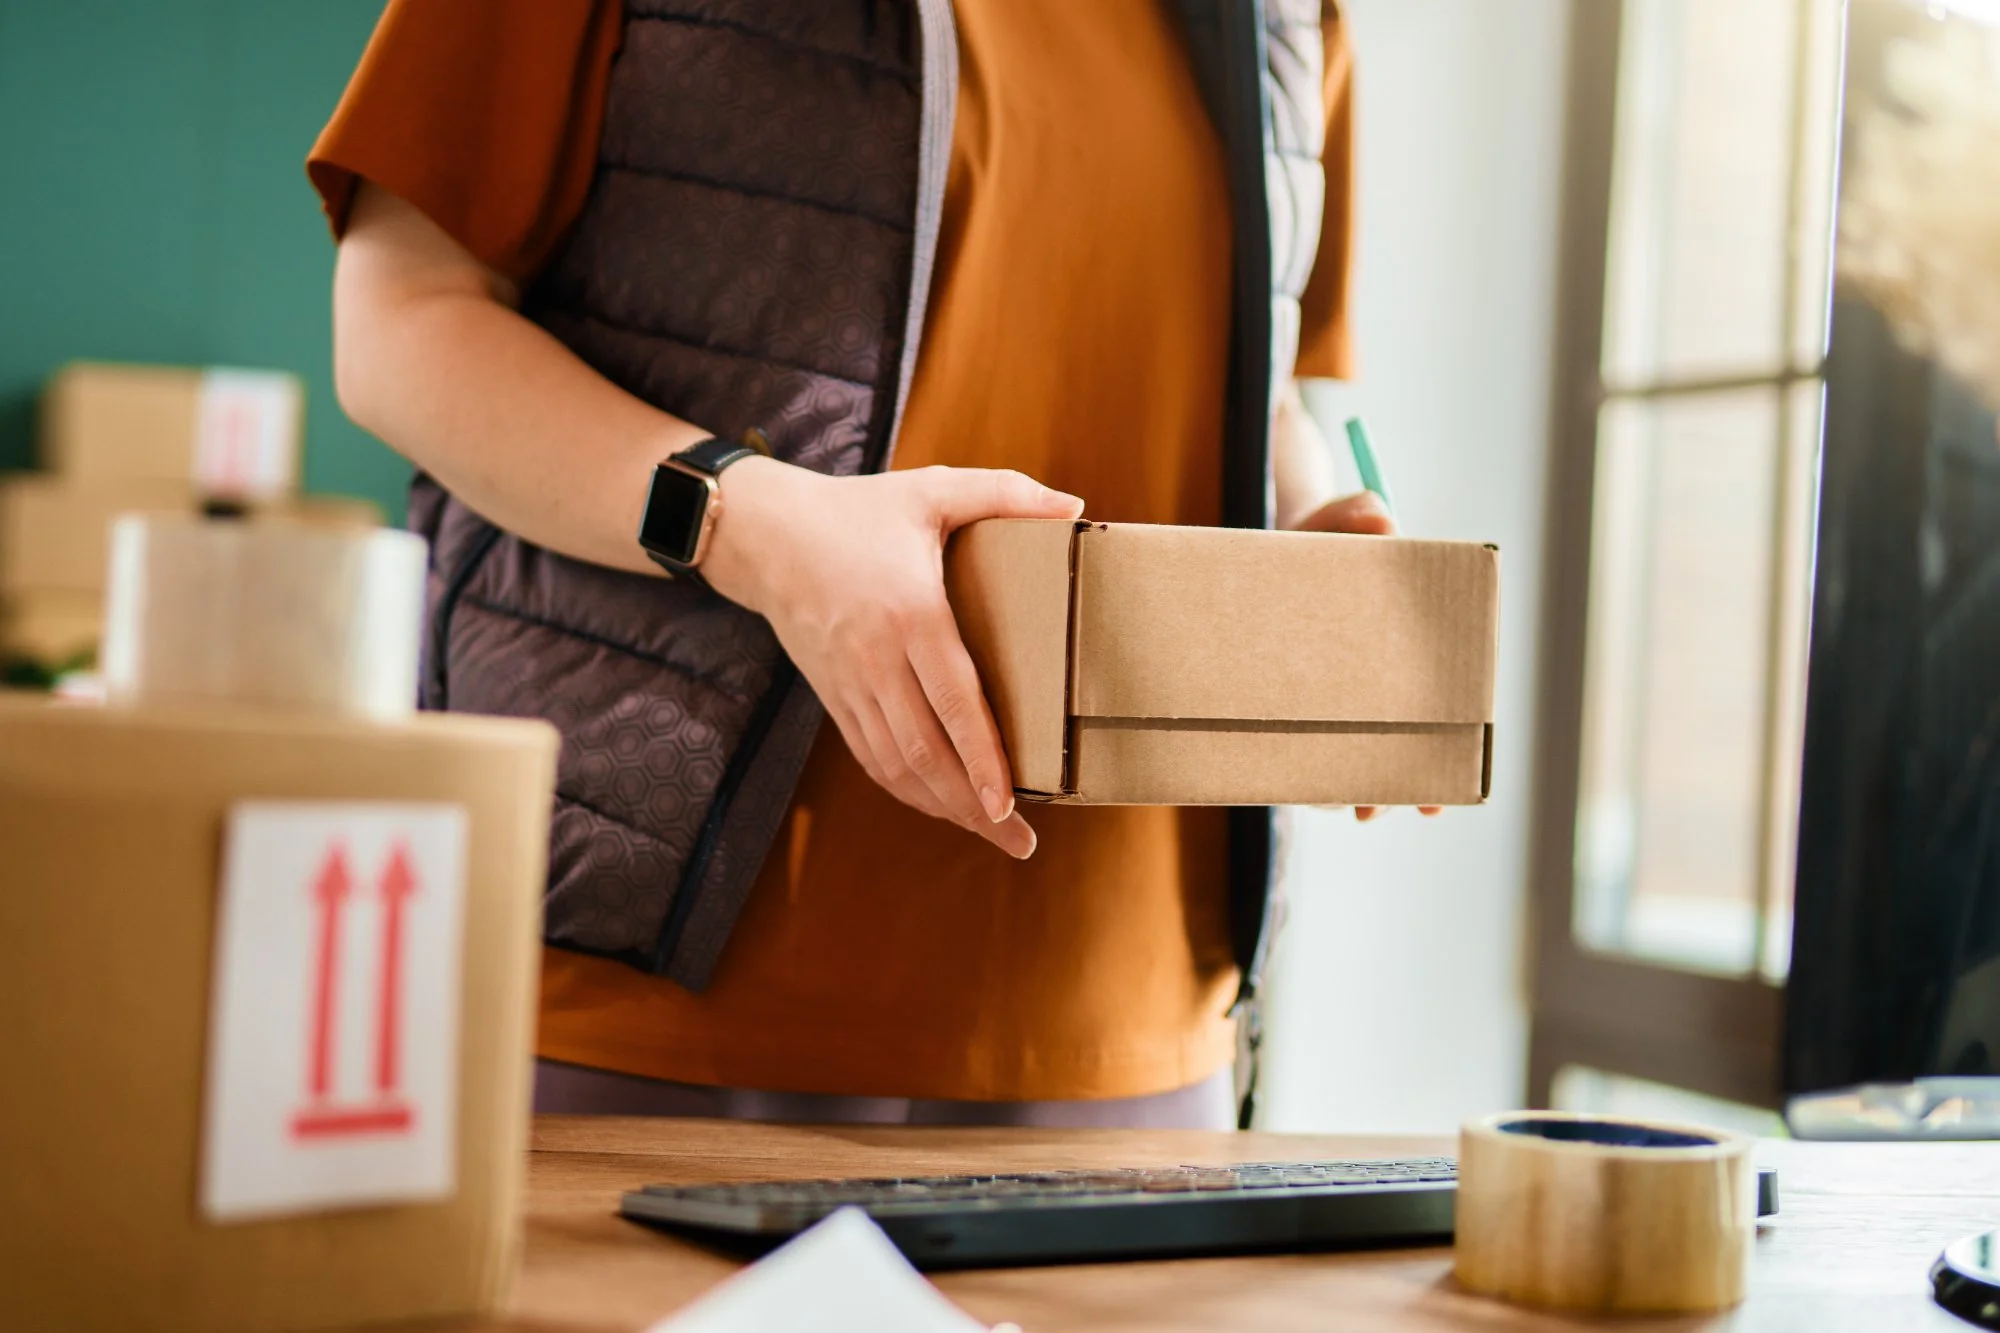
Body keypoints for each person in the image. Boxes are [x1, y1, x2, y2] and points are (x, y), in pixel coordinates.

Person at [312, 0, 1394, 1130]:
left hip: (1136, 1040)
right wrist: (750, 525)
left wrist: (1309, 519)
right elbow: (400, 320)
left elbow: (1256, 379)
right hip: (652, 1007)